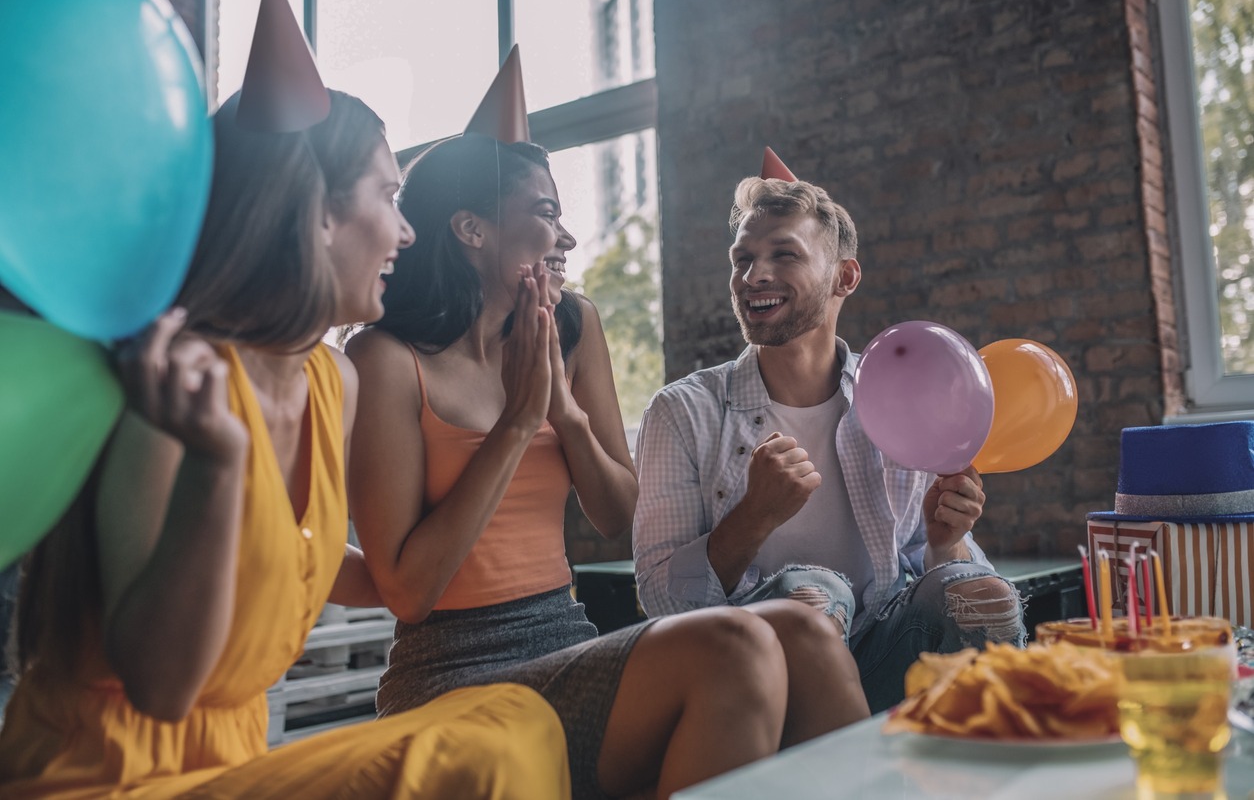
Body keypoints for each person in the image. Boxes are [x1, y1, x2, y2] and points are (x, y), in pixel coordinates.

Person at [0, 91, 570, 799]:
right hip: (105, 779)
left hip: (238, 767)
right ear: (316, 212)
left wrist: (511, 462)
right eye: (389, 196)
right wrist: (217, 466)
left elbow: (329, 563)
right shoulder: (174, 382)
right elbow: (161, 686)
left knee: (518, 716)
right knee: (474, 759)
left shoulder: (333, 382)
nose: (408, 231)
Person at [346, 132, 870, 800]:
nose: (565, 237)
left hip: (566, 639)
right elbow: (409, 591)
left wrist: (564, 417)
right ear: (471, 229)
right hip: (451, 672)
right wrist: (515, 425)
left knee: (800, 629)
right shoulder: (385, 361)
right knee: (735, 649)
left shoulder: (570, 325)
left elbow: (618, 512)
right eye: (543, 214)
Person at [632, 170, 1026, 714]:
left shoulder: (898, 397)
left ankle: (984, 774)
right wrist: (753, 516)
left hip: (889, 654)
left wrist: (944, 540)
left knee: (983, 595)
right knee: (814, 594)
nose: (754, 276)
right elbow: (659, 599)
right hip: (757, 677)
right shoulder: (682, 411)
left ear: (844, 277)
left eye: (784, 255)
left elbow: (942, 570)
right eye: (741, 259)